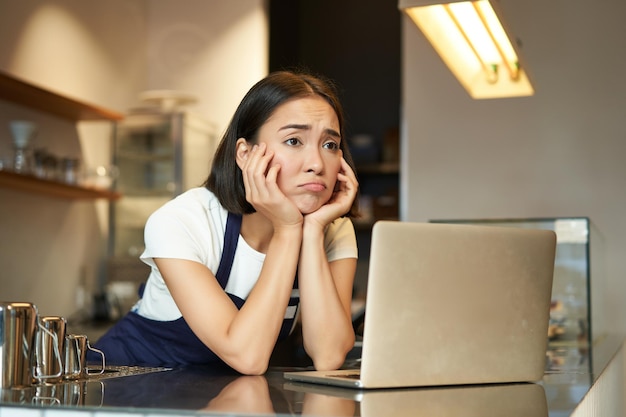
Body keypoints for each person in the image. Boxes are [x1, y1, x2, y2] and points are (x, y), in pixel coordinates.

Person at [92, 70, 360, 375]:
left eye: (329, 145)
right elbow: (247, 356)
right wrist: (287, 230)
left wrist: (311, 231)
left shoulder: (332, 229)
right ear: (245, 154)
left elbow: (329, 356)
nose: (316, 164)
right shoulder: (182, 222)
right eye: (294, 140)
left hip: (210, 398)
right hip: (124, 388)